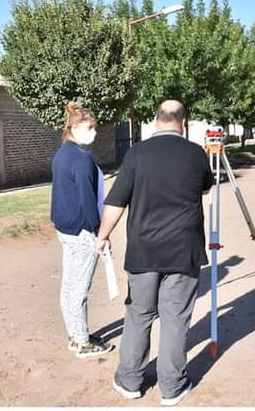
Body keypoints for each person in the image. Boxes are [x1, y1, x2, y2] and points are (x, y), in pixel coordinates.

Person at [97, 100, 213, 406]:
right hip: (183, 250)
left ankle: (130, 381)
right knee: (175, 318)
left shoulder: (136, 154)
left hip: (144, 250)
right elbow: (205, 188)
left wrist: (102, 235)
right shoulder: (196, 154)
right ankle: (172, 387)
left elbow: (116, 202)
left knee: (139, 314)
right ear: (183, 122)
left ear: (155, 120)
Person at [50, 101, 113, 359]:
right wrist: (100, 232)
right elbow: (88, 199)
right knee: (77, 290)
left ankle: (76, 334)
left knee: (69, 286)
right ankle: (81, 342)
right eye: (89, 128)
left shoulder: (62, 153)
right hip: (81, 231)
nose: (94, 132)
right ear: (74, 128)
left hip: (65, 228)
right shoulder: (81, 158)